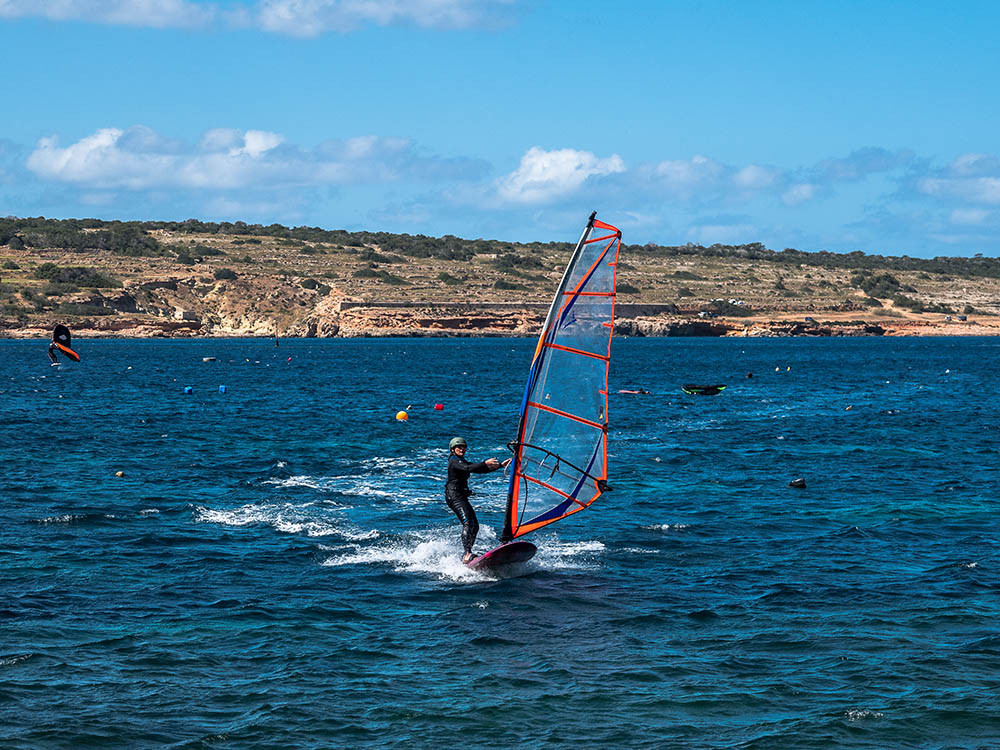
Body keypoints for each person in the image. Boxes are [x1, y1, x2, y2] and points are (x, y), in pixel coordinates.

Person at [445, 437, 510, 563]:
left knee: (475, 525)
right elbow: (468, 468)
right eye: (459, 447)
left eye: (464, 447)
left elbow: (477, 469)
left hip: (461, 497)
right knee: (469, 523)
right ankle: (467, 554)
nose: (462, 449)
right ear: (453, 449)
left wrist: (500, 466)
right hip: (454, 497)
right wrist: (485, 463)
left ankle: (467, 553)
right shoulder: (453, 461)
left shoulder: (461, 460)